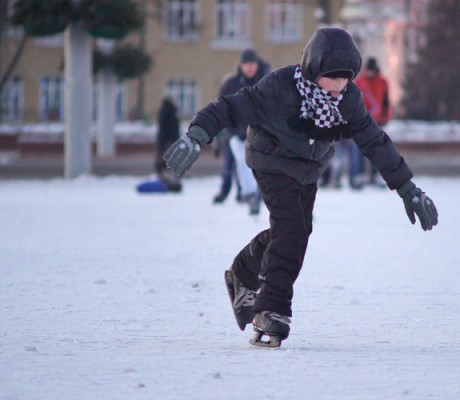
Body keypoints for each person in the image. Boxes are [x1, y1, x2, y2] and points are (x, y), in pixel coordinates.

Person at [163, 28, 438, 348]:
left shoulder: (348, 98)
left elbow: (374, 140)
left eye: (344, 80)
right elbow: (230, 108)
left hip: (308, 168)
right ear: (313, 69)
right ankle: (271, 310)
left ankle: (242, 271)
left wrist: (407, 187)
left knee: (295, 230)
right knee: (291, 228)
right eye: (331, 80)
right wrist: (197, 134)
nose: (337, 89)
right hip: (271, 160)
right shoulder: (279, 87)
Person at [214, 49, 270, 214]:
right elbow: (220, 110)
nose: (249, 68)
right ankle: (250, 194)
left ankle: (256, 194)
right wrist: (217, 138)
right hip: (235, 134)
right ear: (241, 65)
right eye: (246, 64)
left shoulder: (265, 83)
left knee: (261, 166)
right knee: (242, 160)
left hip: (260, 133)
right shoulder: (231, 84)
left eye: (252, 64)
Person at [355, 57, 393, 187]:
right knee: (361, 149)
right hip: (362, 122)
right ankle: (360, 175)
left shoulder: (382, 82)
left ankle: (374, 176)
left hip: (378, 122)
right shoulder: (360, 82)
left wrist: (386, 116)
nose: (370, 73)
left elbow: (386, 101)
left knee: (377, 150)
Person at [153, 96, 182, 192]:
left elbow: (162, 132)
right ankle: (172, 184)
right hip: (171, 143)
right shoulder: (172, 113)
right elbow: (173, 131)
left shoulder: (164, 113)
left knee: (164, 165)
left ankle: (166, 183)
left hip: (165, 143)